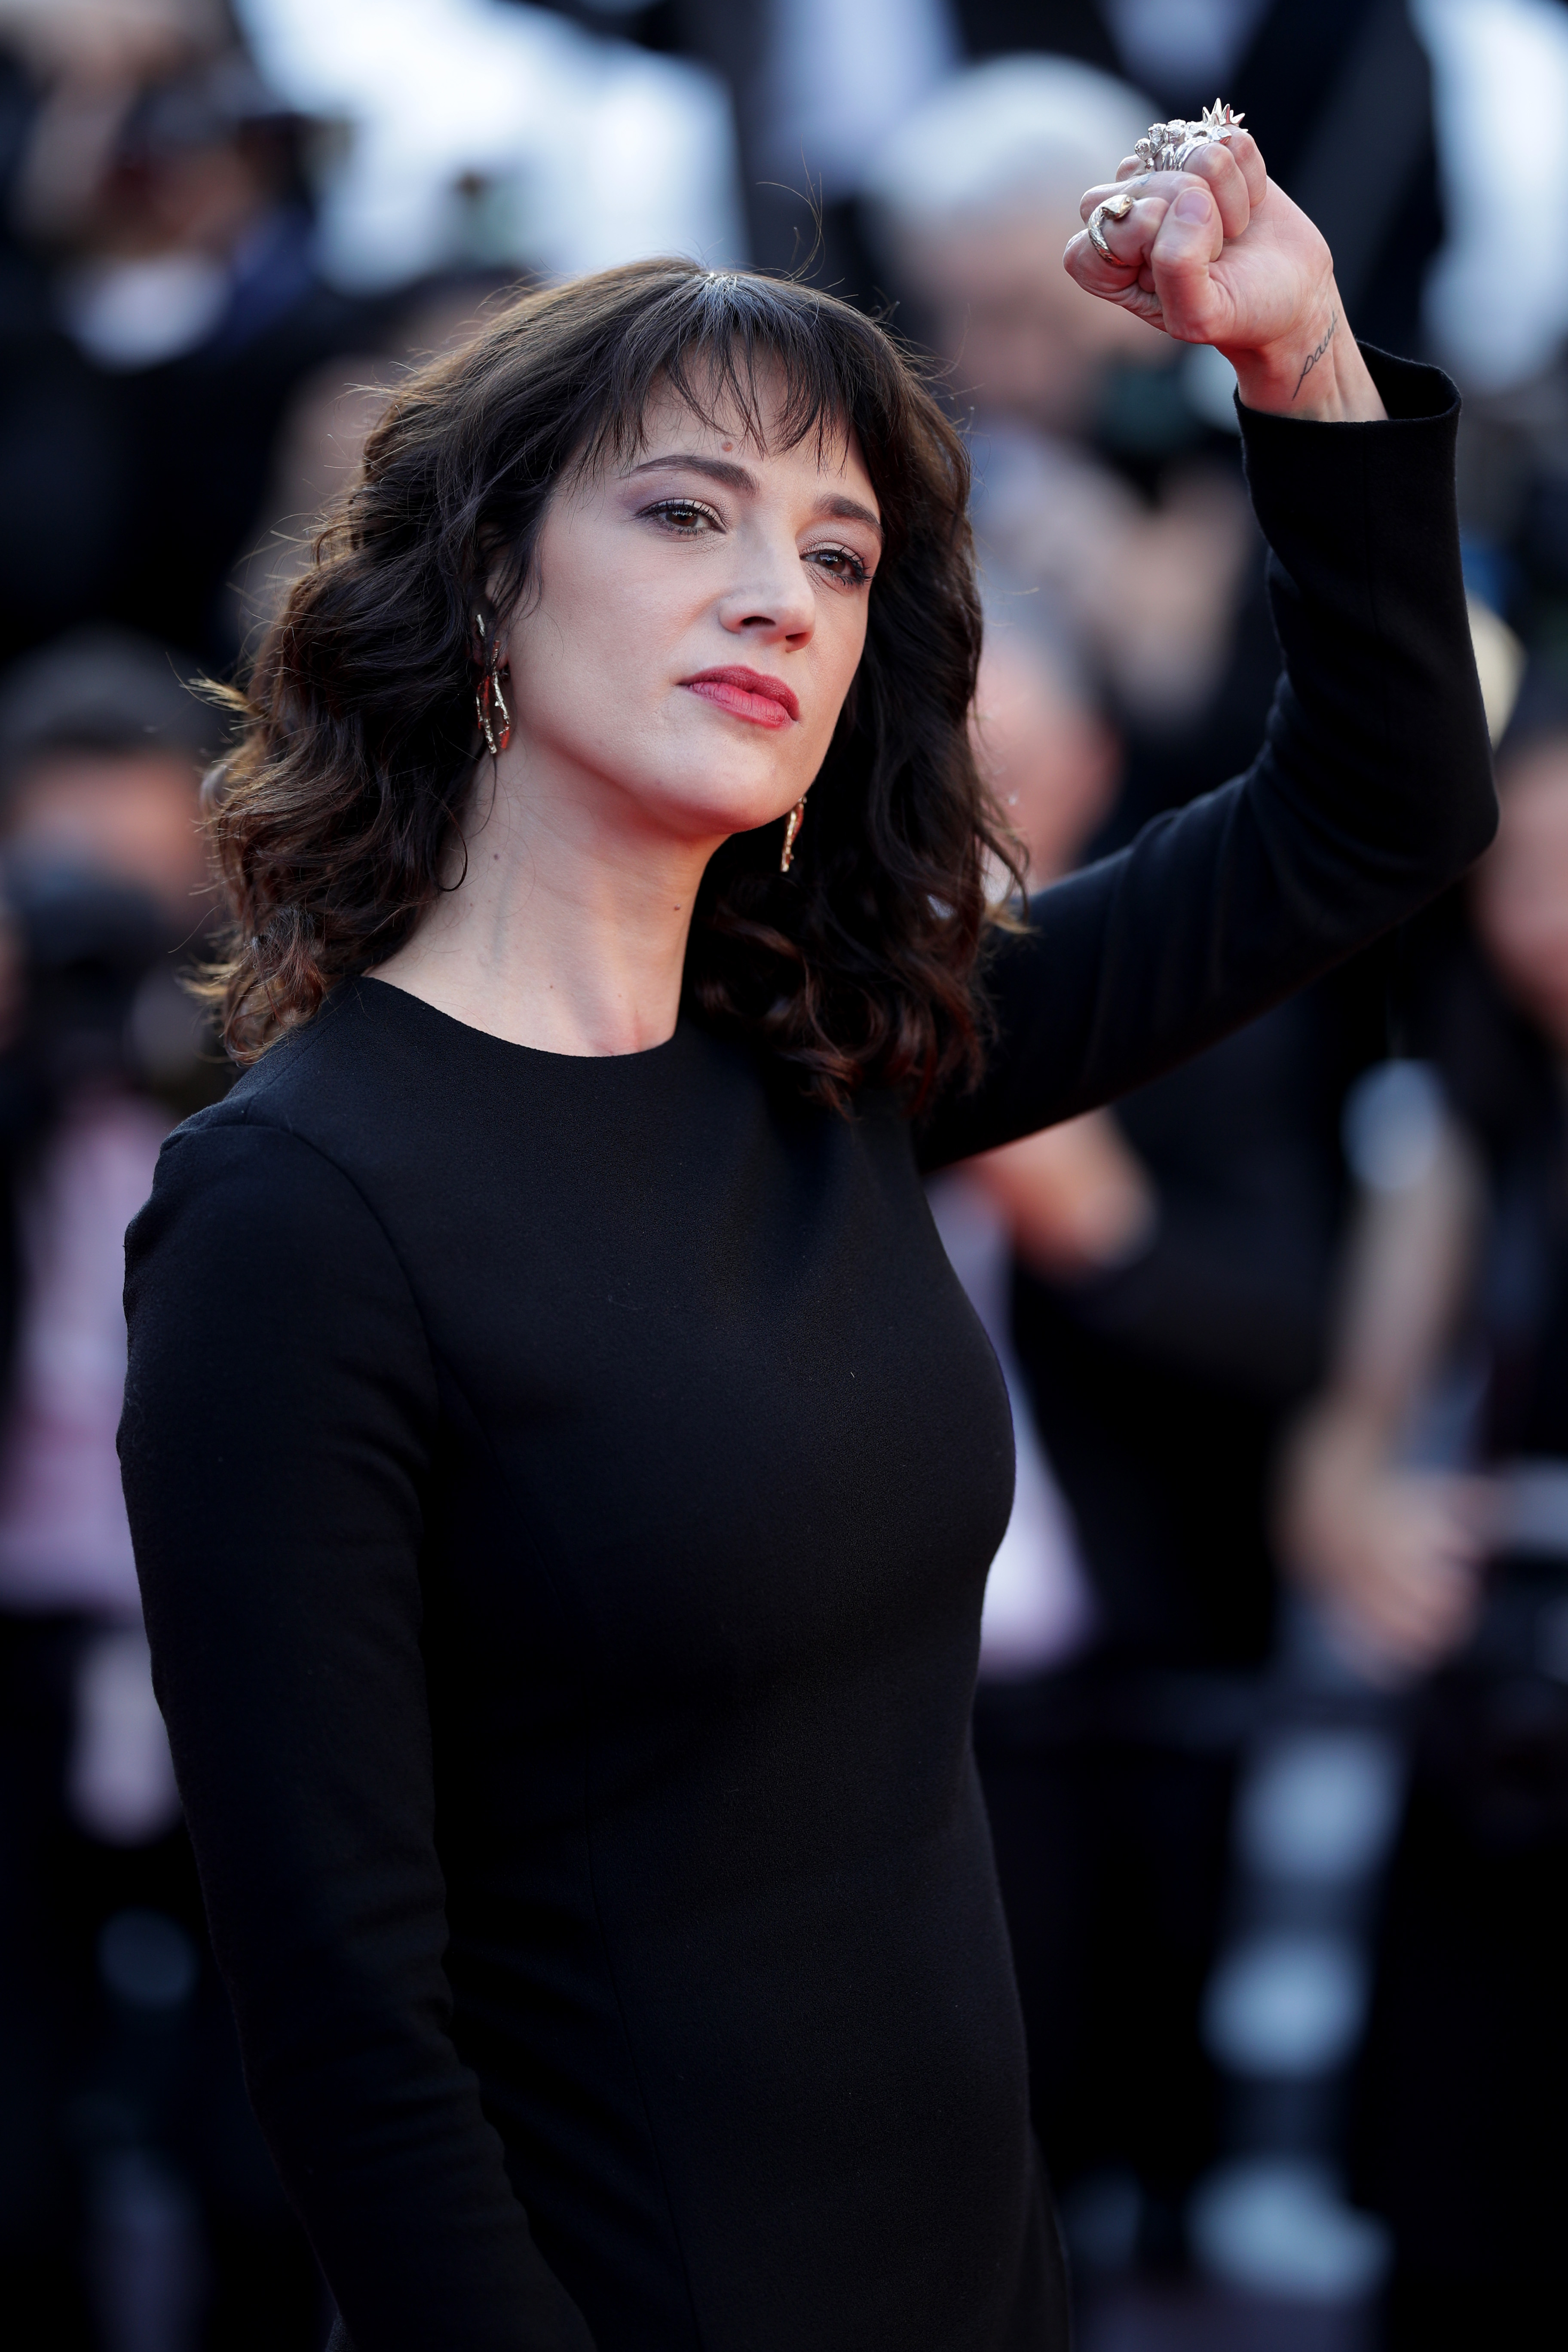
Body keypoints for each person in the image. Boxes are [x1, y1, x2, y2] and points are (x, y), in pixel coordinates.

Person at [118, 115, 1493, 2352]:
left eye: (841, 558)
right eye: (685, 514)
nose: (780, 592)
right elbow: (349, 2027)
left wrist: (1302, 353)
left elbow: (1384, 808)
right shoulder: (293, 1210)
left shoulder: (850, 1074)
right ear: (484, 585)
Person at [1278, 699, 1568, 2344]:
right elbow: (1348, 1428)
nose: (1549, 918)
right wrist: (1354, 1510)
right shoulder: (1466, 1111)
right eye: (1519, 876)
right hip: (1502, 1741)